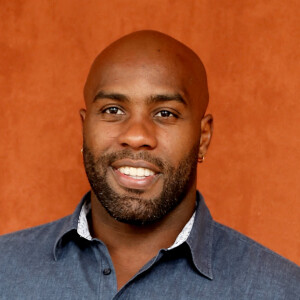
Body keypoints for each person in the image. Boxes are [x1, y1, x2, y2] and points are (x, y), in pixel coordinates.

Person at [0, 30, 299, 300]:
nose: (136, 136)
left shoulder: (281, 289)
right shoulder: (6, 269)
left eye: (165, 113)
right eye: (113, 110)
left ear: (203, 137)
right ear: (84, 127)